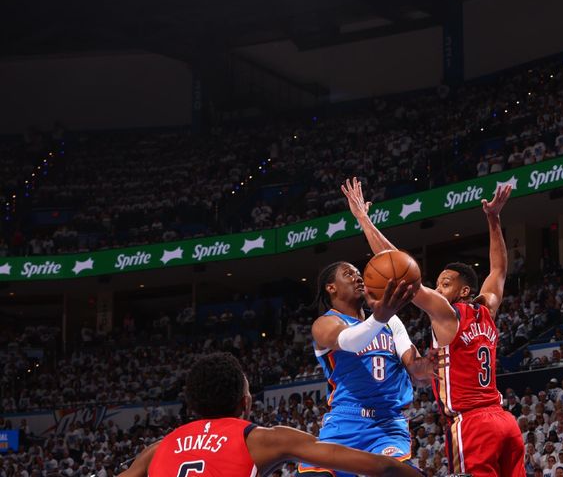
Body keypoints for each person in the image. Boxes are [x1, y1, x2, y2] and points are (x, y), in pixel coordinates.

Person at [343, 177, 524, 476]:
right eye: (437, 283)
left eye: (445, 284)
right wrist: (494, 219)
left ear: (464, 291)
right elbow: (499, 269)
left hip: (473, 425)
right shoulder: (487, 308)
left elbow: (397, 268)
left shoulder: (448, 315)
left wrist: (363, 219)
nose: (437, 289)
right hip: (505, 422)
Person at [119, 353, 418, 477]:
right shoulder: (262, 440)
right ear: (245, 403)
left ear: (191, 404)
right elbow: (382, 467)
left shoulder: (157, 449)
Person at [299, 258, 436, 476]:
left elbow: (416, 370)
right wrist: (380, 318)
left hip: (387, 424)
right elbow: (351, 341)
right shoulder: (325, 324)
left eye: (358, 273)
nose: (358, 277)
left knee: (395, 473)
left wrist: (429, 368)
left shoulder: (391, 322)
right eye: (349, 274)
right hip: (345, 422)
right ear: (331, 287)